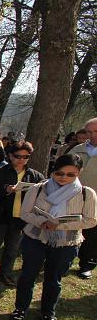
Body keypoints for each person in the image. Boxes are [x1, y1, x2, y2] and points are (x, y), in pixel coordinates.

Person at [12, 154, 97, 320]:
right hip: (36, 237)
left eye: (70, 175)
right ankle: (20, 309)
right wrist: (42, 222)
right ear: (53, 171)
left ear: (78, 173)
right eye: (59, 173)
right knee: (28, 275)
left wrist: (61, 224)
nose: (64, 178)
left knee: (54, 279)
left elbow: (90, 220)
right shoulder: (38, 188)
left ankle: (48, 314)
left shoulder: (86, 193)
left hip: (66, 242)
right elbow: (25, 213)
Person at [0, 142, 44, 285]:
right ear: (10, 156)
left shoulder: (35, 176)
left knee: (12, 249)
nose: (21, 159)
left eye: (26, 157)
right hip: (0, 216)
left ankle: (6, 274)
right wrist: (5, 189)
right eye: (18, 156)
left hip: (20, 218)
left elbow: (42, 197)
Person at [67, 118, 97, 278]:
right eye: (89, 132)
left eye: (96, 132)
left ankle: (87, 264)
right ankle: (66, 260)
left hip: (95, 200)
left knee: (92, 233)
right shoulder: (78, 149)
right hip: (74, 198)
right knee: (70, 228)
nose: (92, 135)